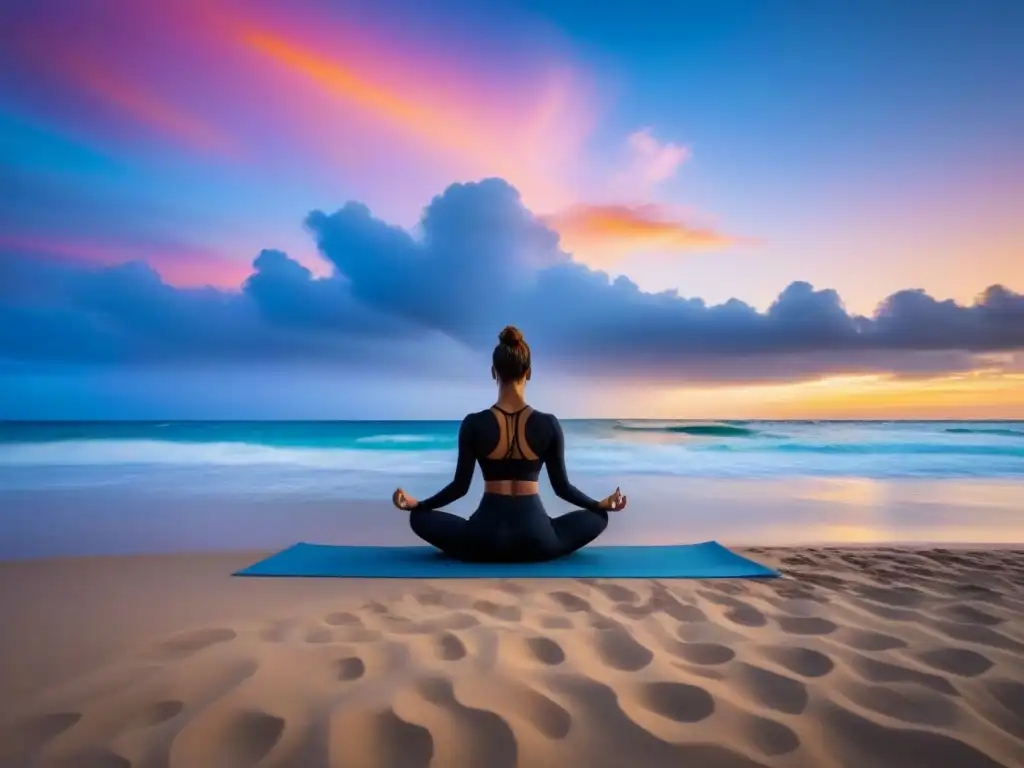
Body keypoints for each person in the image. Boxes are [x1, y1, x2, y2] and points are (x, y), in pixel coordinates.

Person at [392, 325, 627, 563]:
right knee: (599, 517)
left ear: (493, 372)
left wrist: (419, 504)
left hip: (483, 540)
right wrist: (600, 503)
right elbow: (562, 488)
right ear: (529, 372)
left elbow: (459, 487)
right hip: (538, 540)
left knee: (418, 517)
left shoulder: (474, 423)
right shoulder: (548, 424)